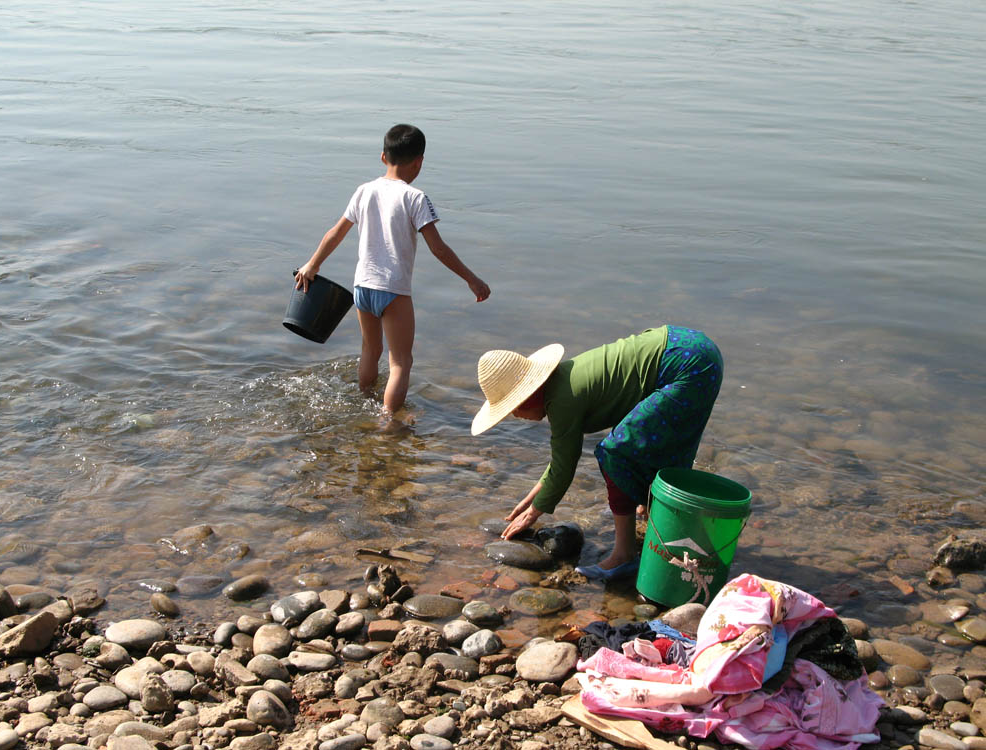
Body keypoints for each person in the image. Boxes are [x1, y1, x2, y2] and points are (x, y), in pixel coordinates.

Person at [470, 325, 723, 581]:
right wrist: (530, 501)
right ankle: (651, 511)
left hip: (688, 365)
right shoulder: (562, 380)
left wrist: (535, 513)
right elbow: (559, 460)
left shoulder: (561, 402)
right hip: (688, 347)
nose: (515, 415)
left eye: (512, 408)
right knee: (648, 441)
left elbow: (564, 465)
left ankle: (623, 556)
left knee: (615, 453)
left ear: (529, 395)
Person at [295, 124, 490, 416]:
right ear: (419, 162)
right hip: (393, 290)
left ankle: (366, 402)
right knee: (400, 362)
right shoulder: (415, 198)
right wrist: (472, 280)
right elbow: (438, 248)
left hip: (362, 286)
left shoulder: (364, 190)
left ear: (383, 157)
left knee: (370, 351)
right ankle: (388, 424)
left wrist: (313, 264)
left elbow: (336, 232)